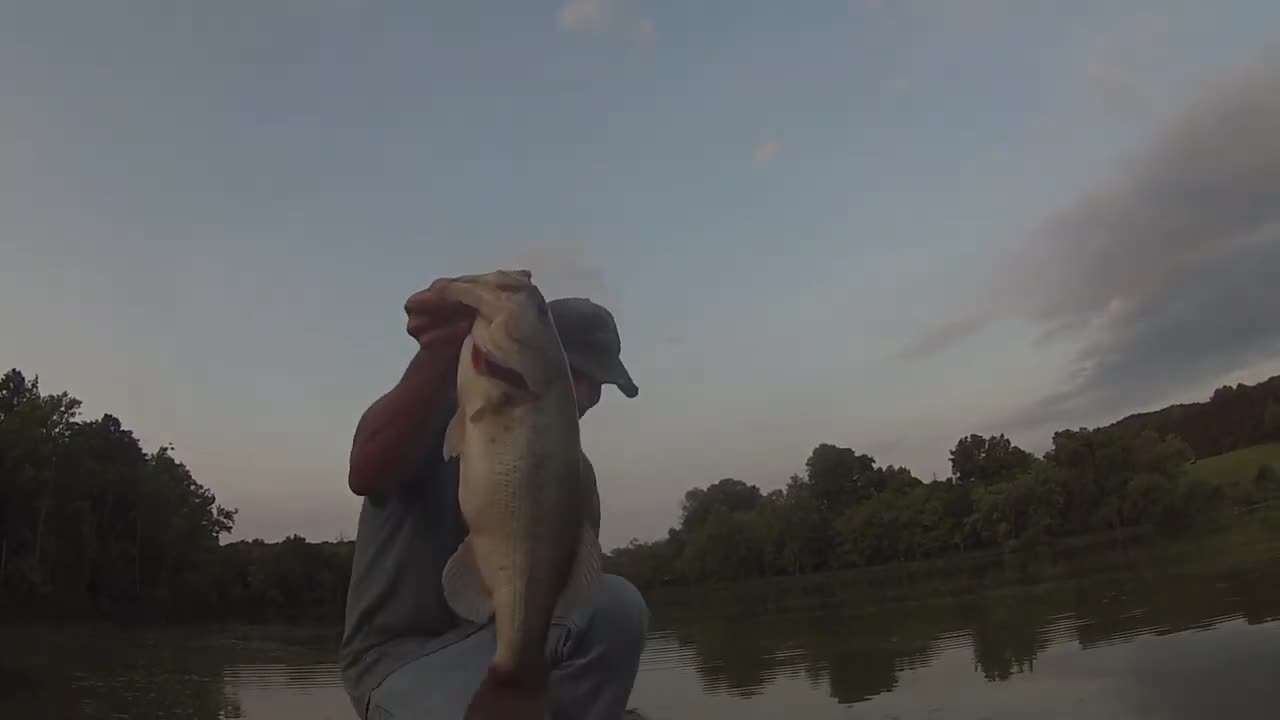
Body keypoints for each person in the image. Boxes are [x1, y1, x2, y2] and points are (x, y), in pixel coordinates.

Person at [338, 277, 650, 720]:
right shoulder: (432, 411)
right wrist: (438, 352)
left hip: (498, 643)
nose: (585, 394)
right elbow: (365, 471)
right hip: (395, 661)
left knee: (617, 606)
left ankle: (525, 692)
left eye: (599, 383)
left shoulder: (576, 476)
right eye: (575, 371)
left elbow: (569, 590)